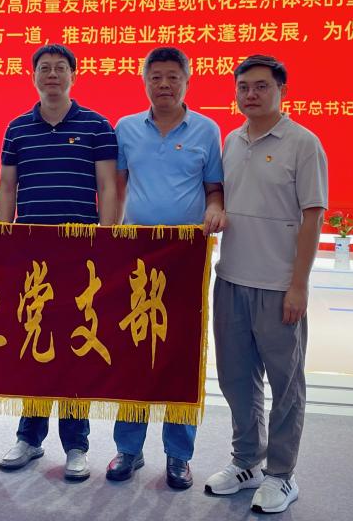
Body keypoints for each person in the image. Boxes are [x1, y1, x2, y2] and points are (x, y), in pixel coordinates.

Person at [203, 54, 327, 514]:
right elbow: (221, 197)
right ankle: (246, 462)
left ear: (282, 91)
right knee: (237, 380)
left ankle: (281, 474)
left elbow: (313, 218)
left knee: (286, 386)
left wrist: (299, 286)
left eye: (261, 87)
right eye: (243, 87)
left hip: (278, 287)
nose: (251, 95)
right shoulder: (232, 141)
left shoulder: (303, 144)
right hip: (231, 280)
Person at [0, 44, 117, 482]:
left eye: (59, 68)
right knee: (34, 344)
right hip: (31, 256)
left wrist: (105, 243)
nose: (51, 74)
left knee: (76, 347)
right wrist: (6, 239)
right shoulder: (17, 129)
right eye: (44, 68)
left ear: (73, 75)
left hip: (80, 256)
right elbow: (7, 187)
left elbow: (108, 187)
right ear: (33, 76)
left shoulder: (97, 126)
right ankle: (29, 437)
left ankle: (76, 444)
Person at [106, 46, 226, 490]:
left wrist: (214, 209)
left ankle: (179, 455)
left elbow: (214, 189)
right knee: (134, 351)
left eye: (173, 77)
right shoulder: (126, 128)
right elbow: (117, 188)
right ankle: (128, 449)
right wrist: (110, 235)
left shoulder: (207, 130)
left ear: (187, 81)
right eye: (155, 77)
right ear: (144, 82)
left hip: (184, 256)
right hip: (136, 254)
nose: (164, 84)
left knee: (180, 354)